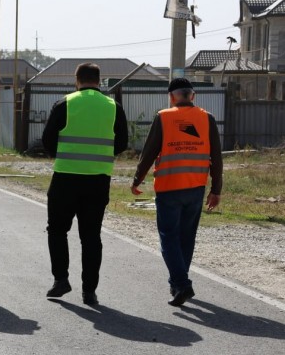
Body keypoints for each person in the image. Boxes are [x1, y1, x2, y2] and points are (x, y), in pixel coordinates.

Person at [131, 77, 223, 307]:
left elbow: (149, 152)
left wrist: (137, 180)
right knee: (186, 238)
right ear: (193, 96)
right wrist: (216, 190)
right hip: (195, 188)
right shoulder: (207, 118)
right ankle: (177, 284)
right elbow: (217, 158)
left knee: (169, 237)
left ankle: (182, 284)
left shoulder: (163, 117)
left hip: (169, 188)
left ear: (172, 97)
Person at [42, 63, 128, 306]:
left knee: (57, 230)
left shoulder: (65, 103)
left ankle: (61, 280)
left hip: (65, 178)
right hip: (98, 180)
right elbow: (121, 143)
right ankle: (89, 291)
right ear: (99, 81)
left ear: (76, 80)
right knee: (91, 236)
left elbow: (48, 140)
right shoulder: (113, 107)